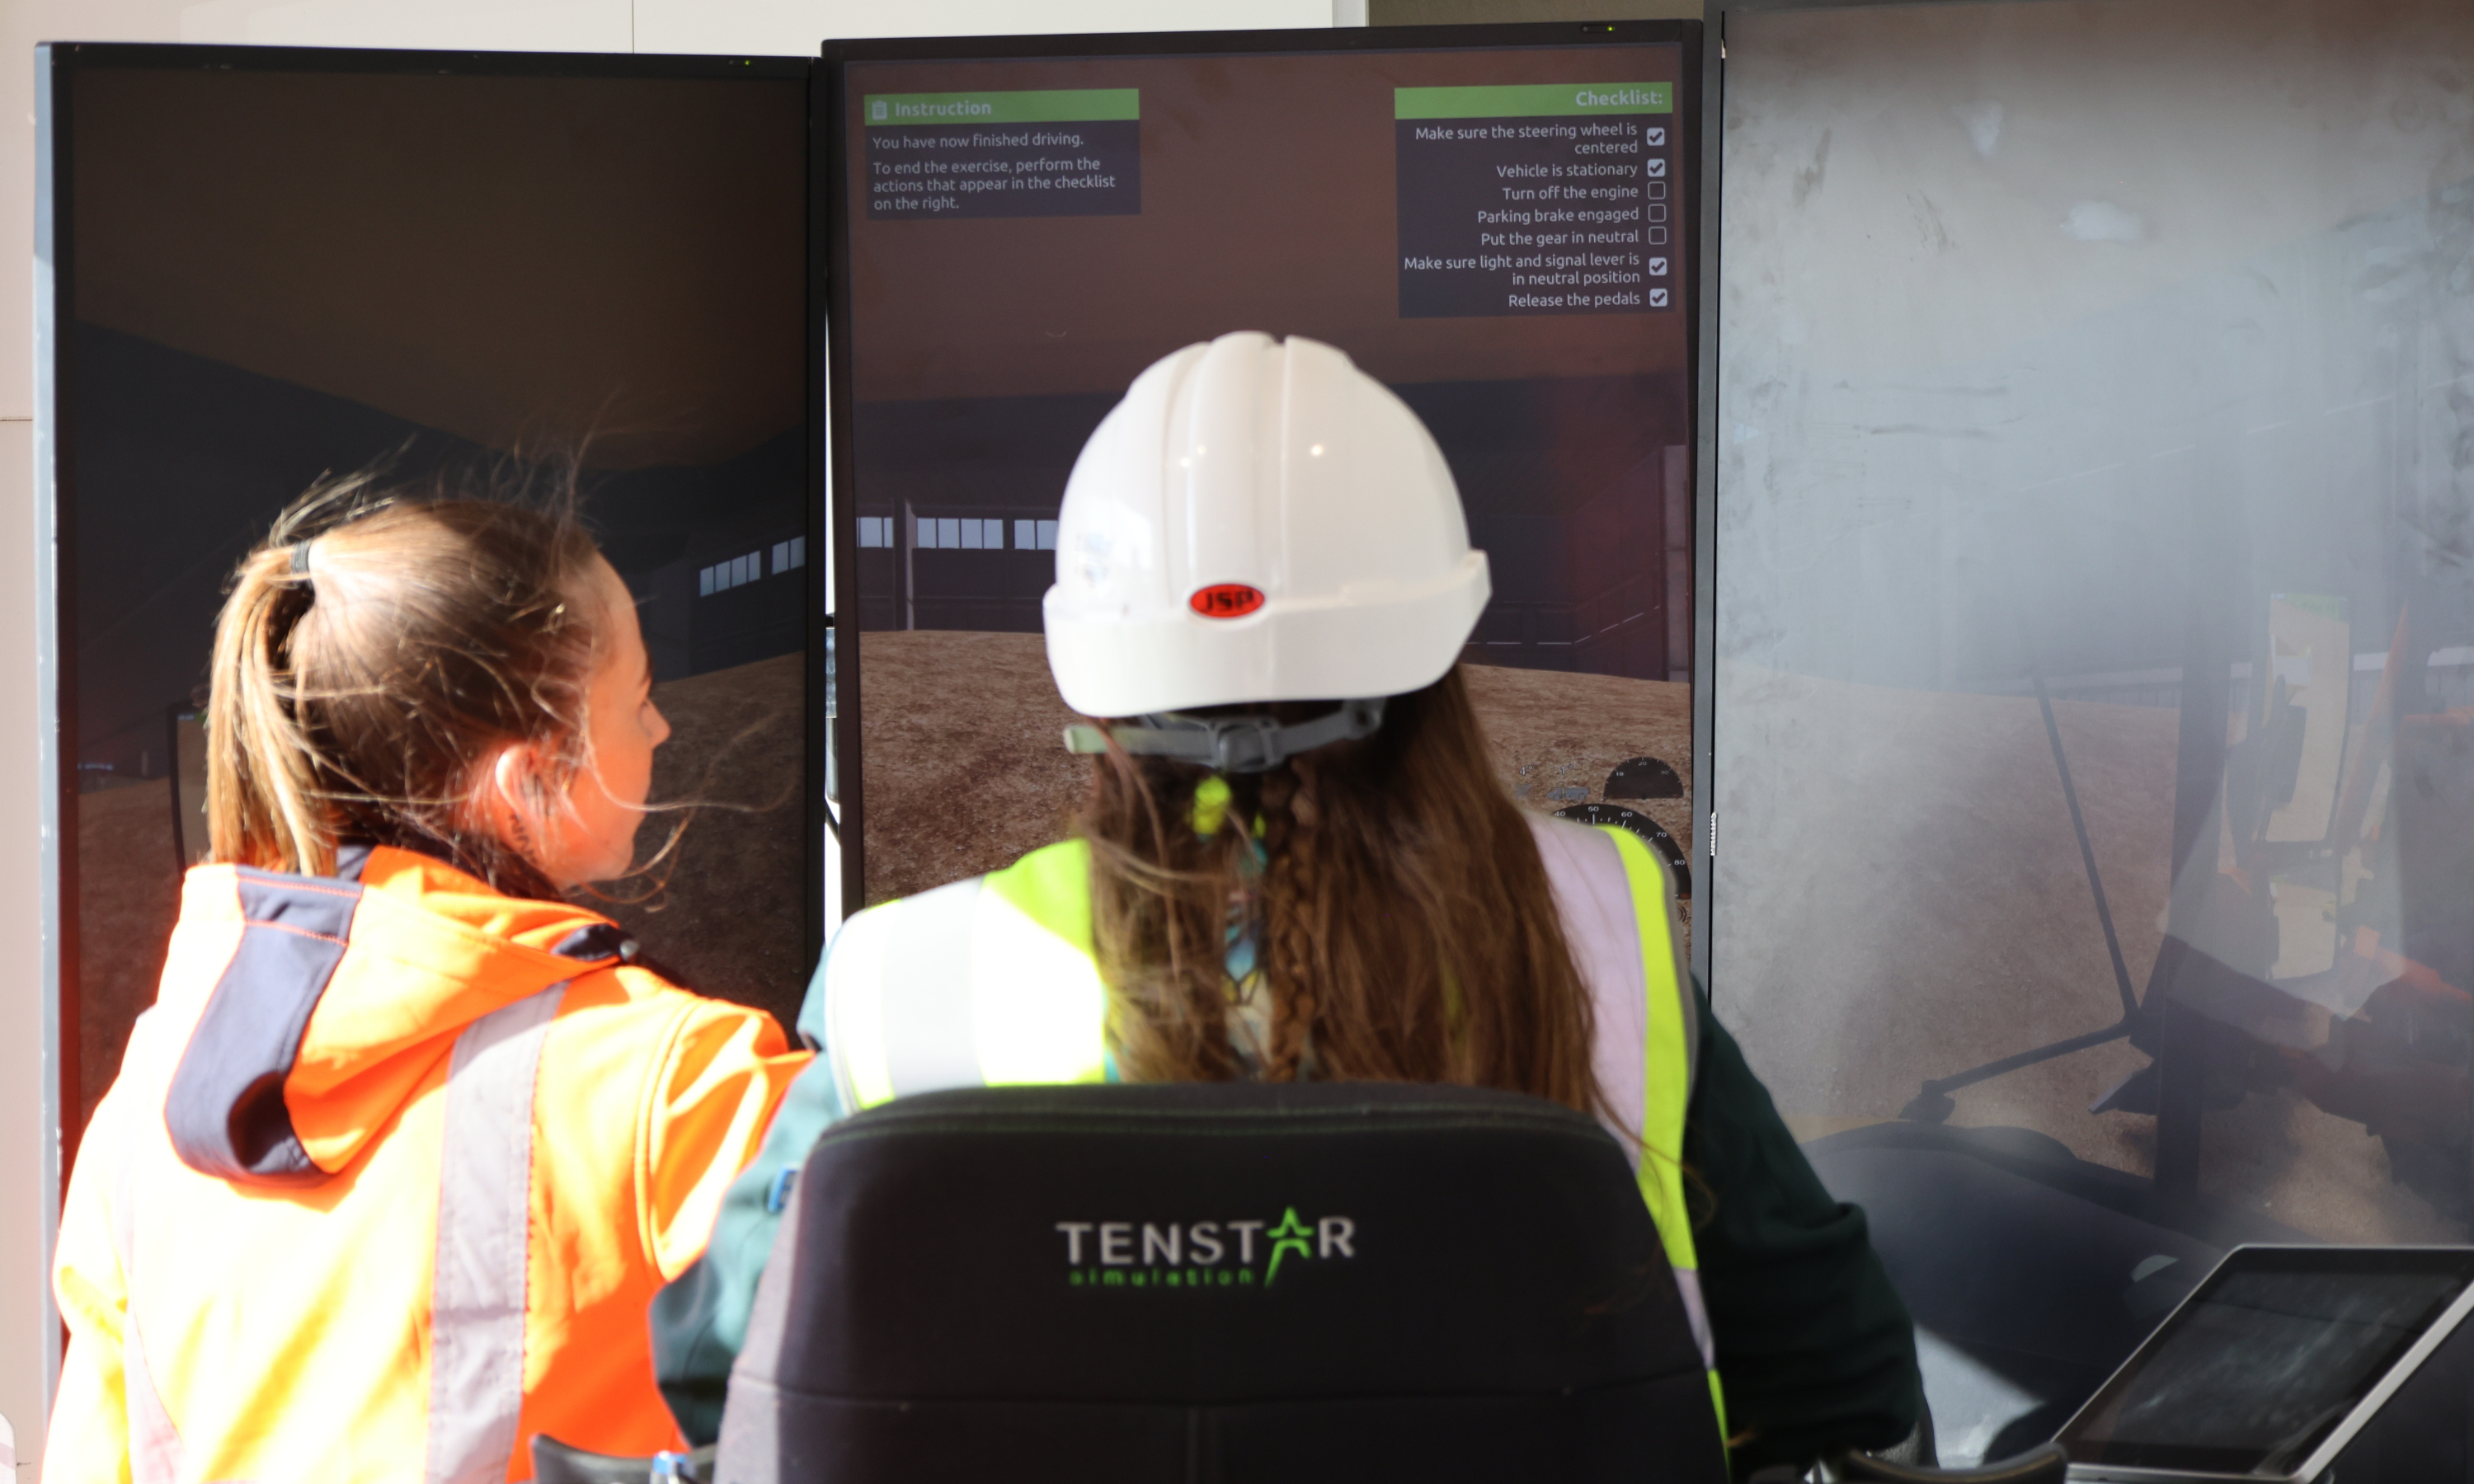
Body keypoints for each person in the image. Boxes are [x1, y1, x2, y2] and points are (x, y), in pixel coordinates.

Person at [652, 332, 1924, 1477]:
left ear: (1095, 694)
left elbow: (723, 1388)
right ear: (1444, 662)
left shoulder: (903, 990)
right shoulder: (1609, 927)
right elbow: (1837, 1366)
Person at [49, 475, 811, 1483]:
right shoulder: (684, 1083)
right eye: (639, 699)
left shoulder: (146, 1100)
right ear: (526, 781)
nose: (661, 731)